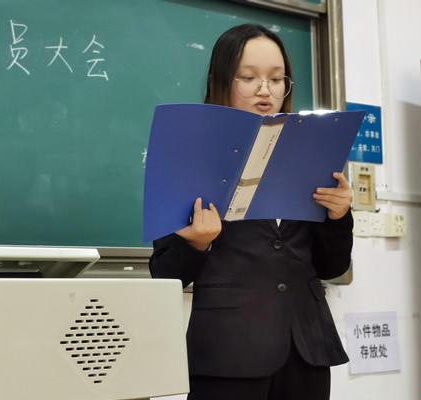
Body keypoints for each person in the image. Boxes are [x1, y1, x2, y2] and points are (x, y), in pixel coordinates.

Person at [149, 23, 353, 400]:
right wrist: (196, 243)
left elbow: (331, 267)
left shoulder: (311, 149)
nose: (265, 89)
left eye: (276, 79)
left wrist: (339, 218)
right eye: (248, 78)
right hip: (227, 352)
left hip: (307, 349)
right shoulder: (188, 155)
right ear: (221, 80)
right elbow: (164, 273)